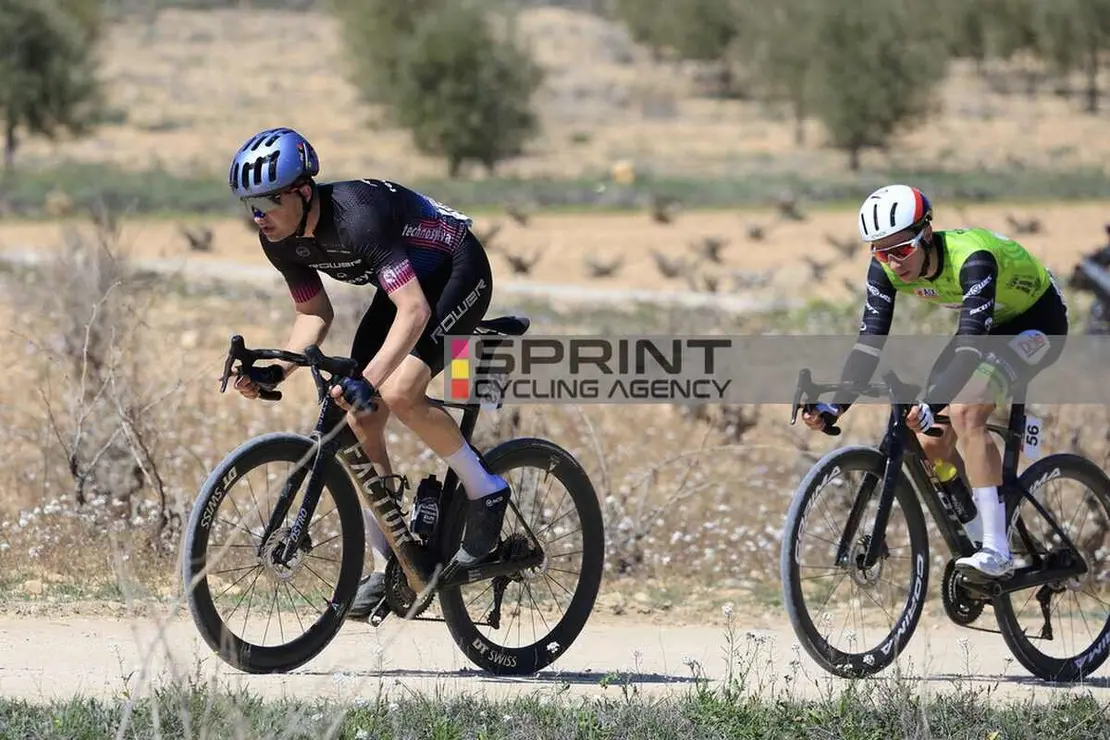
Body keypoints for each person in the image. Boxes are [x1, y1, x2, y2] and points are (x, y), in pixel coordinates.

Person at [225, 127, 511, 618]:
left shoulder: (358, 218)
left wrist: (370, 379)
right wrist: (277, 370)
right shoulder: (278, 240)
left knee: (399, 391)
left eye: (267, 201)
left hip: (455, 268)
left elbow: (415, 312)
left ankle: (487, 490)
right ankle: (393, 566)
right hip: (407, 289)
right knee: (356, 416)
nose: (258, 215)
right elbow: (314, 315)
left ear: (302, 192)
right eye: (249, 204)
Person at [801, 184, 1069, 580]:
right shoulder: (886, 269)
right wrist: (834, 406)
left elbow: (970, 344)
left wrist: (934, 402)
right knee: (930, 440)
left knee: (965, 410)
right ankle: (982, 538)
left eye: (901, 250)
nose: (892, 262)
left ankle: (997, 552)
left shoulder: (972, 258)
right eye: (880, 251)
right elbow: (869, 346)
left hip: (1037, 324)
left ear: (926, 233)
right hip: (989, 328)